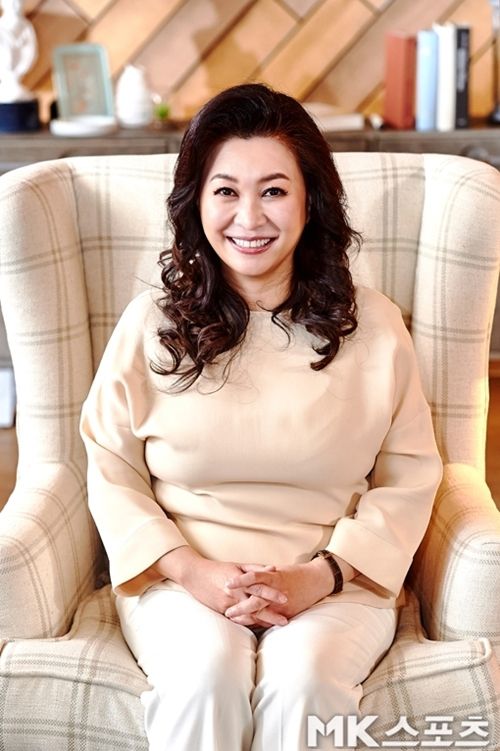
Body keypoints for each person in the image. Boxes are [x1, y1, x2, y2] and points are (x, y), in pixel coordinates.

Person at [80, 83, 443, 751]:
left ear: (311, 201)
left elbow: (410, 476)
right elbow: (110, 468)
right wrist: (192, 571)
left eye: (274, 190)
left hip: (337, 582)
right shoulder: (149, 325)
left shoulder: (376, 325)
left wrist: (322, 575)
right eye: (226, 190)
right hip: (180, 581)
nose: (249, 217)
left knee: (304, 682)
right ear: (197, 202)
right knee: (204, 677)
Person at [0, 0, 37, 103]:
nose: (15, 6)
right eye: (11, 2)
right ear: (3, 4)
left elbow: (30, 50)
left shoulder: (26, 27)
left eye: (17, 2)